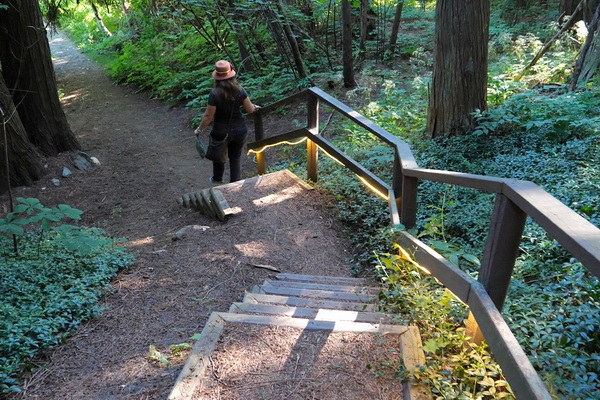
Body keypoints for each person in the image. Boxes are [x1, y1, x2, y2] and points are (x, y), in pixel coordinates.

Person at [194, 60, 260, 183]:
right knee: (235, 157)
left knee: (218, 156)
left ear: (217, 77)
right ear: (231, 74)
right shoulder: (239, 90)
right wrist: (255, 107)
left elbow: (208, 116)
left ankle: (217, 179)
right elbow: (250, 109)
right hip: (240, 129)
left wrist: (199, 129)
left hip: (220, 131)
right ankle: (234, 183)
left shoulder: (214, 94)